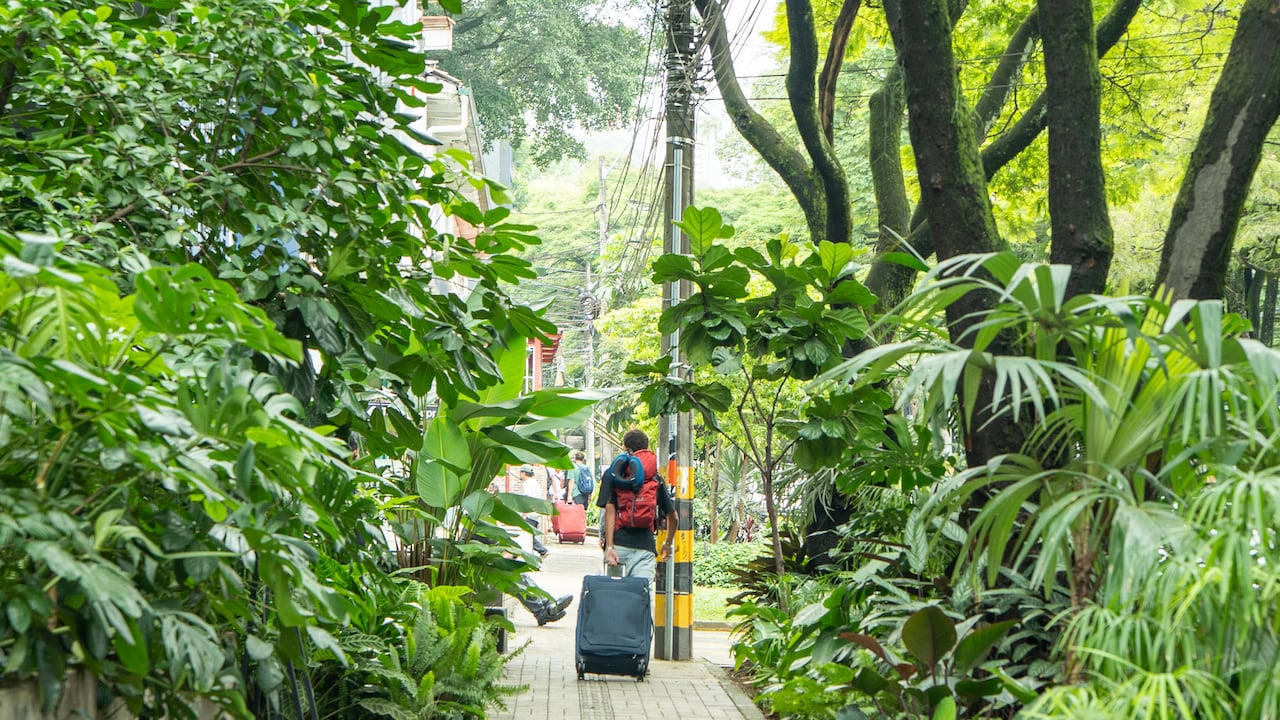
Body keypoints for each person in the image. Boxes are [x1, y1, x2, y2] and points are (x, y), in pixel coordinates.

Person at [598, 429, 677, 587]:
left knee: (616, 596)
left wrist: (609, 546)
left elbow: (609, 510)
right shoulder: (654, 478)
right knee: (642, 596)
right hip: (645, 548)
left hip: (618, 548)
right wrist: (667, 543)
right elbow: (673, 516)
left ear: (625, 448)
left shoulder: (614, 474)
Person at [520, 464, 550, 557]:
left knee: (527, 536)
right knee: (530, 535)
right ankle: (541, 551)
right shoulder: (535, 483)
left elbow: (527, 499)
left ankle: (542, 550)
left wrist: (524, 513)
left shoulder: (527, 484)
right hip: (536, 513)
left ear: (524, 473)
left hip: (531, 513)